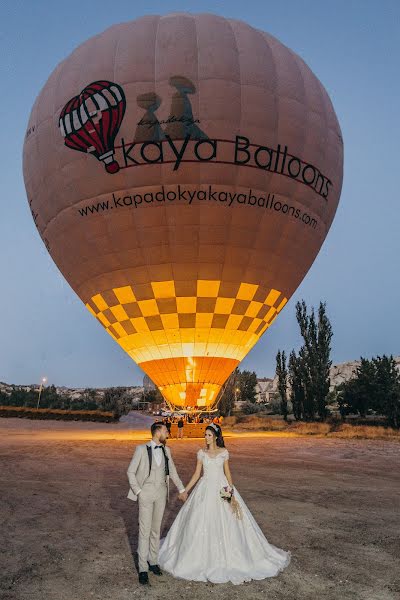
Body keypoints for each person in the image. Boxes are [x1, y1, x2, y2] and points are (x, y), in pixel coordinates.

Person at [158, 423, 291, 584]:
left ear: (215, 436)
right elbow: (196, 474)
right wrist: (186, 490)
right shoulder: (201, 453)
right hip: (205, 488)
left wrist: (231, 495)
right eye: (205, 435)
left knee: (230, 518)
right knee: (199, 520)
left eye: (208, 435)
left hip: (222, 488)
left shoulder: (223, 453)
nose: (205, 438)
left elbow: (227, 473)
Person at [126, 422, 188, 585]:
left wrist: (181, 489)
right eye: (166, 430)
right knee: (144, 531)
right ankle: (142, 569)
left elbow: (173, 472)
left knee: (155, 529)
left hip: (161, 493)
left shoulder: (166, 450)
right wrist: (138, 491)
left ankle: (153, 562)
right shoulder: (141, 449)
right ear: (157, 432)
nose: (168, 432)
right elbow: (130, 471)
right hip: (145, 493)